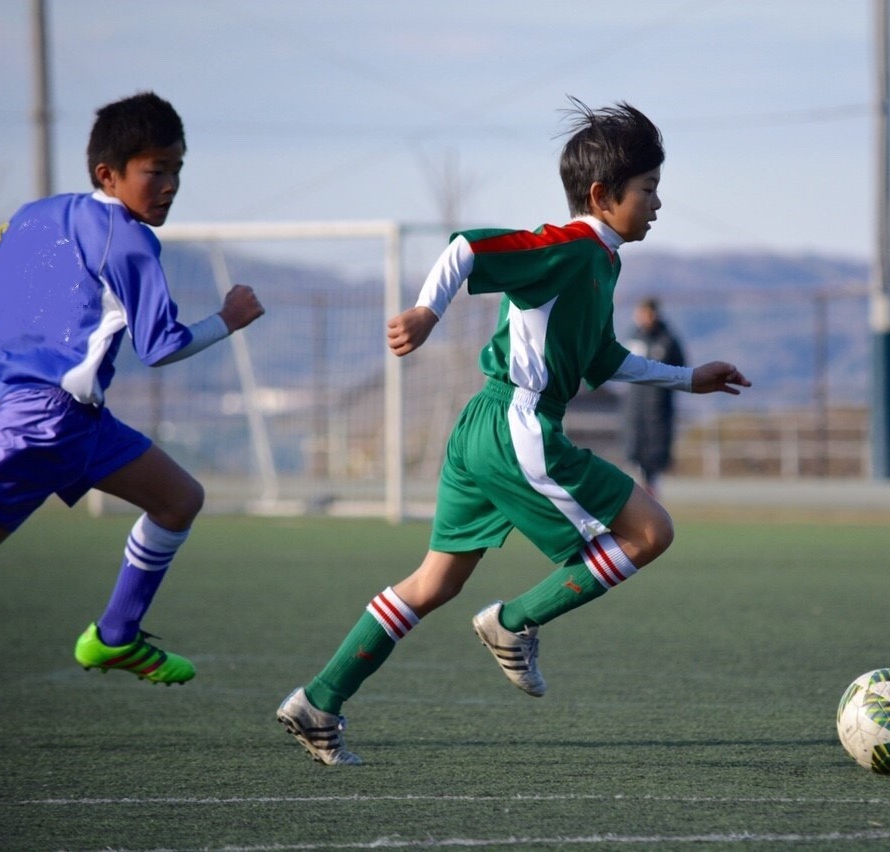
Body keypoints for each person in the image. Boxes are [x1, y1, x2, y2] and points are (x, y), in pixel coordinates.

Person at [276, 99, 750, 765]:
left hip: (482, 429)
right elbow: (466, 247)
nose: (658, 204)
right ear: (602, 195)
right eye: (648, 191)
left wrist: (686, 377)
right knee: (651, 532)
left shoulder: (601, 263)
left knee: (434, 583)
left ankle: (318, 701)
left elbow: (605, 360)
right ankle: (513, 622)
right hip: (517, 426)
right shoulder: (568, 248)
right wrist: (425, 312)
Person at [0, 91, 265, 685]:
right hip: (44, 422)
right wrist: (229, 318)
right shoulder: (130, 241)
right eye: (155, 171)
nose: (168, 185)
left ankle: (115, 637)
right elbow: (161, 347)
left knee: (178, 498)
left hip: (78, 419)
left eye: (176, 170)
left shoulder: (36, 215)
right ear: (107, 175)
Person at [623, 297, 685, 496]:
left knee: (656, 455)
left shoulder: (667, 340)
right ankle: (636, 496)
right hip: (634, 407)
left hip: (659, 409)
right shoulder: (633, 338)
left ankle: (653, 495)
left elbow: (681, 370)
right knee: (635, 452)